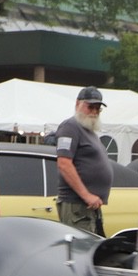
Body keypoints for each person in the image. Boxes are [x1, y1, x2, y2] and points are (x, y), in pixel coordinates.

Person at [55, 86, 112, 236]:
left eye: (98, 108)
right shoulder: (70, 127)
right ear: (78, 103)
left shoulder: (88, 130)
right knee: (80, 252)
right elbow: (64, 163)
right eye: (90, 107)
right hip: (77, 205)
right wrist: (86, 195)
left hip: (88, 206)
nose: (94, 112)